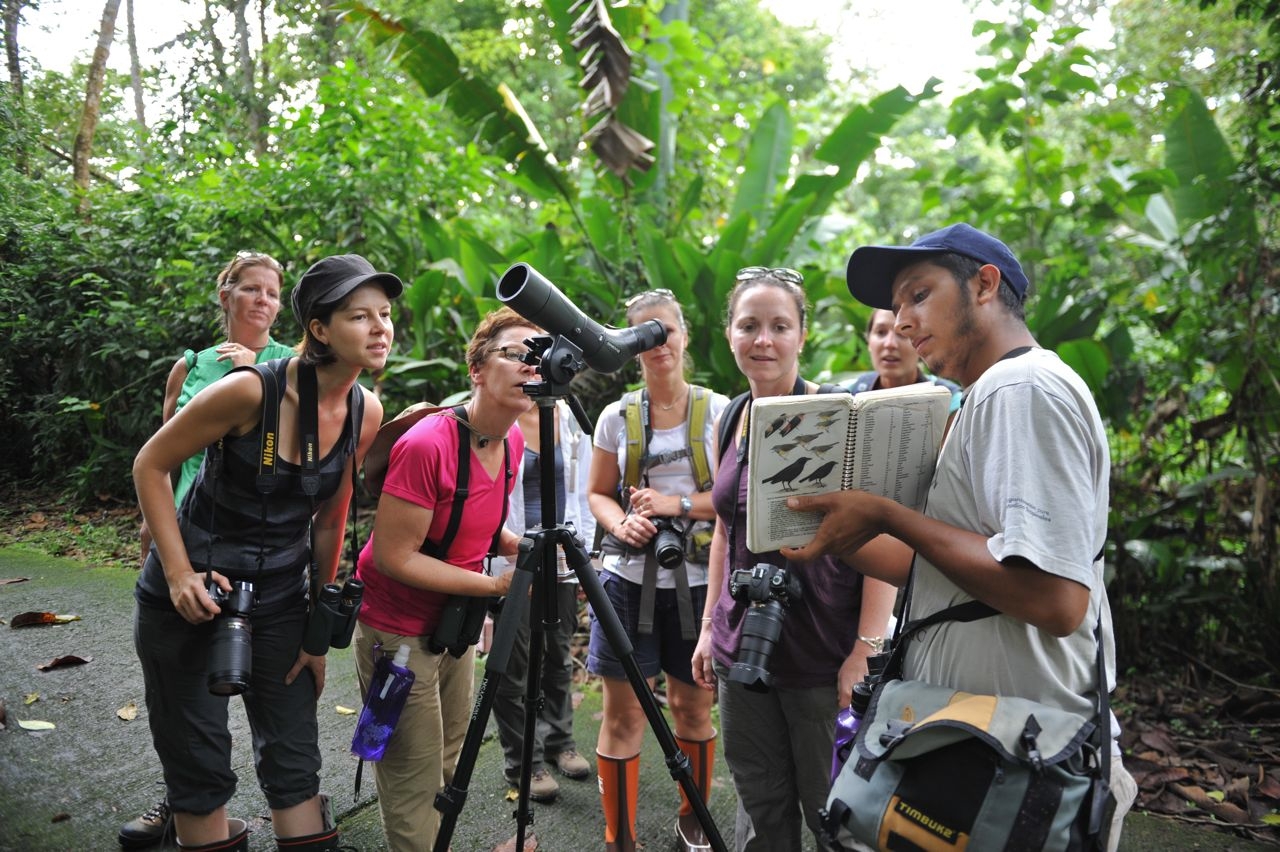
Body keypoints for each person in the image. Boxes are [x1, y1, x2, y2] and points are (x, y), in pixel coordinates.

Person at [784, 224, 1137, 850]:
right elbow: (951, 569)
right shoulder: (988, 396)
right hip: (980, 744)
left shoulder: (1021, 387)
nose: (904, 323)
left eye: (918, 295)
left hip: (1022, 754)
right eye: (895, 309)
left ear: (984, 283)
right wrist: (828, 525)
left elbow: (1055, 597)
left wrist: (890, 513)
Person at [132, 253, 399, 852]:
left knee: (293, 755)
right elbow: (151, 463)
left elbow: (330, 521)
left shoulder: (366, 410)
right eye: (361, 316)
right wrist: (176, 574)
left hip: (279, 599)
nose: (381, 328)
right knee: (197, 760)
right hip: (194, 591)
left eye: (385, 314)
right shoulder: (250, 391)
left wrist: (315, 627)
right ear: (320, 329)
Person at [689, 267, 898, 852]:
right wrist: (709, 628)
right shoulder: (731, 418)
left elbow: (876, 537)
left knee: (830, 810)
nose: (764, 340)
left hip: (821, 650)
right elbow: (728, 531)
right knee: (759, 805)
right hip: (744, 647)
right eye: (749, 325)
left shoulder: (836, 417)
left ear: (802, 336)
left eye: (780, 326)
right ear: (729, 333)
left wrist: (865, 648)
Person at [123, 251, 297, 850]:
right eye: (250, 289)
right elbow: (165, 451)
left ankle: (270, 806)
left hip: (254, 548)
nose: (262, 301)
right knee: (182, 693)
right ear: (225, 295)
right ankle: (181, 801)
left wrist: (261, 372)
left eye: (272, 292)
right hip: (187, 541)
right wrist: (157, 529)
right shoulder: (189, 366)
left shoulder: (290, 366)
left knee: (255, 690)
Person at [352, 307, 535, 851]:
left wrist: (507, 546)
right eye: (516, 354)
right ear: (477, 370)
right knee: (412, 770)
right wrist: (497, 588)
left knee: (450, 753)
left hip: (454, 624)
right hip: (398, 632)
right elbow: (394, 556)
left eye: (540, 358)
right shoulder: (429, 443)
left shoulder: (514, 441)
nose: (532, 366)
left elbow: (473, 516)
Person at [586, 289, 729, 852]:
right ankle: (619, 838)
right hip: (627, 581)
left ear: (683, 335)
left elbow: (734, 500)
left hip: (698, 583)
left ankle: (693, 823)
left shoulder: (719, 412)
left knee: (691, 707)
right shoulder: (615, 418)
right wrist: (621, 524)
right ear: (630, 345)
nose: (656, 342)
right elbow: (598, 494)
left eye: (664, 329)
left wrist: (676, 506)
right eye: (642, 333)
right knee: (623, 715)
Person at [489, 397, 596, 808]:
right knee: (513, 665)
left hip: (563, 560)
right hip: (512, 561)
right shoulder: (499, 413)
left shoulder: (567, 414)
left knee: (557, 654)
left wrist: (582, 555)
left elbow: (583, 490)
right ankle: (524, 761)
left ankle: (560, 741)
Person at [845, 308, 962, 412]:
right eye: (881, 332)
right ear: (869, 342)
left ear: (921, 343)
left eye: (903, 333)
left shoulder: (950, 401)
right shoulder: (846, 395)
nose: (889, 344)